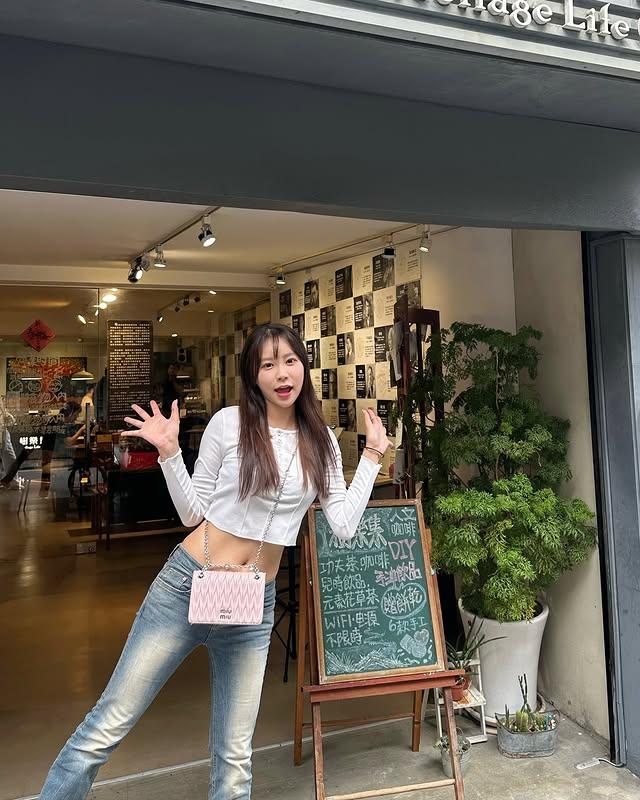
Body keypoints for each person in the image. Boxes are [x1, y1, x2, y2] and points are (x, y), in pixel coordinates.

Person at [38, 322, 390, 800]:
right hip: (186, 586)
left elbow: (343, 525)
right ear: (253, 375)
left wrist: (371, 456)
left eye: (290, 361)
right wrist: (168, 453)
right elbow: (192, 513)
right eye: (268, 365)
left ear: (304, 367)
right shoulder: (229, 423)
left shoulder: (321, 439)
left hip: (252, 604)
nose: (282, 374)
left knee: (235, 756)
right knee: (109, 723)